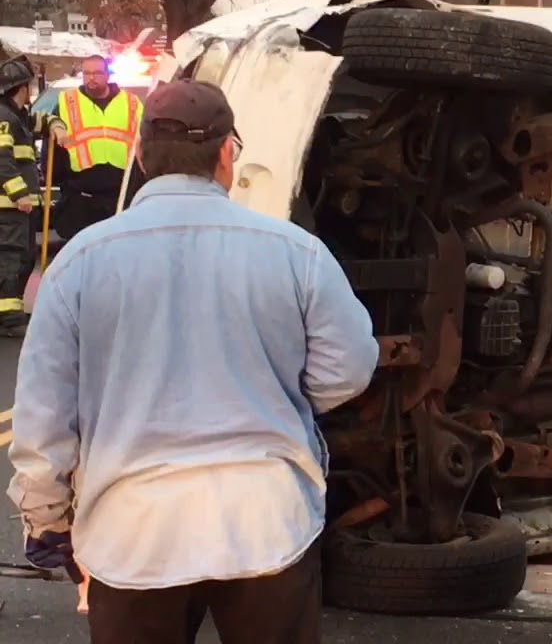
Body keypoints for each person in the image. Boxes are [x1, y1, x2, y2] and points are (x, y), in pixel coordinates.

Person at [6, 80, 381, 643]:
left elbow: (44, 412)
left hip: (132, 531)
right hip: (265, 524)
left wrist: (46, 517)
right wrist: (278, 394)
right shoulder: (295, 252)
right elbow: (350, 367)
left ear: (138, 153)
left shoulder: (80, 261)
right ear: (228, 152)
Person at [0, 55, 69, 336]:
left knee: (25, 256)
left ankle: (12, 311)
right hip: (9, 206)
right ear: (21, 88)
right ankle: (9, 317)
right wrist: (19, 194)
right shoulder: (4, 118)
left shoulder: (20, 116)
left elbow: (43, 119)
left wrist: (56, 126)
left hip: (20, 208)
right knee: (11, 257)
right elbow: (1, 160)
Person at [50, 53, 147, 242]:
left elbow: (144, 142)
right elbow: (53, 143)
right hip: (82, 194)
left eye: (96, 73)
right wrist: (58, 179)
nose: (91, 78)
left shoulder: (132, 103)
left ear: (108, 75)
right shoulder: (67, 102)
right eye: (86, 73)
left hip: (120, 193)